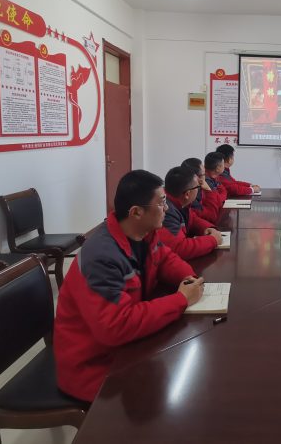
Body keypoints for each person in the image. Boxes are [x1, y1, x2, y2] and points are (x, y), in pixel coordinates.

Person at [54, 170, 205, 402]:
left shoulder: (143, 233)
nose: (166, 209)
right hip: (95, 367)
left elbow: (165, 258)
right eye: (161, 203)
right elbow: (115, 326)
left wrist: (188, 277)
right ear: (136, 212)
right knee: (181, 393)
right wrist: (181, 299)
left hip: (125, 349)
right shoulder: (101, 256)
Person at [159, 166, 223, 259]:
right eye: (198, 187)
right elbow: (180, 248)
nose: (199, 189)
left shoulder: (179, 201)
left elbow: (192, 219)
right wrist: (213, 240)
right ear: (187, 194)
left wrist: (206, 228)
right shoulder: (166, 211)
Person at [182, 157, 222, 223]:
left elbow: (219, 203)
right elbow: (212, 216)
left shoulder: (198, 188)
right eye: (204, 174)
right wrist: (208, 190)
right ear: (197, 178)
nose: (206, 176)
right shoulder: (191, 194)